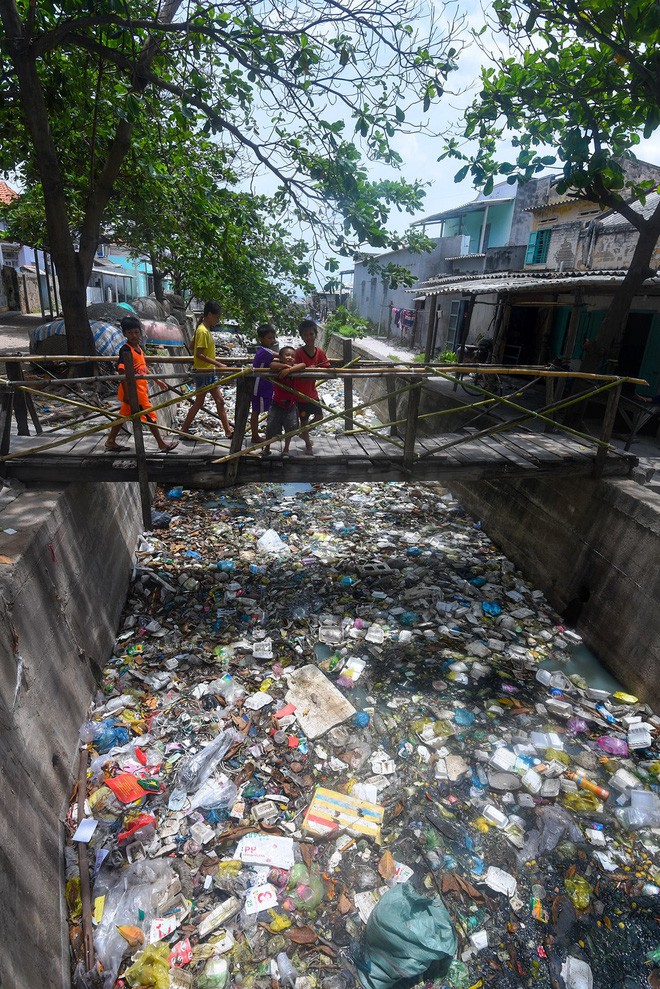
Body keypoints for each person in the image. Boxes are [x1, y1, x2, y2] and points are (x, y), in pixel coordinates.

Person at [105, 316, 178, 453]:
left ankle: (110, 440)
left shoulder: (138, 348)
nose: (133, 335)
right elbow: (122, 372)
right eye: (130, 333)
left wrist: (157, 380)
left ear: (140, 332)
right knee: (150, 415)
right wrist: (127, 393)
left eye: (136, 332)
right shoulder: (125, 350)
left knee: (123, 416)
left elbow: (143, 368)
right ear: (124, 334)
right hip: (134, 391)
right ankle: (162, 444)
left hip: (140, 389)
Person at [180, 301, 234, 440]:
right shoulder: (203, 330)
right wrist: (219, 364)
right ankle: (184, 429)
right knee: (200, 402)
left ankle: (228, 430)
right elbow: (199, 354)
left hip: (208, 371)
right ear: (209, 314)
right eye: (216, 317)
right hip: (204, 371)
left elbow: (192, 346)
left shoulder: (202, 329)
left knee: (219, 401)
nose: (218, 320)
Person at [294, 319, 331, 455]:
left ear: (316, 334)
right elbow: (294, 369)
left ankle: (304, 434)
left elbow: (326, 366)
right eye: (305, 335)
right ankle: (308, 445)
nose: (308, 337)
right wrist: (308, 369)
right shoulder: (298, 353)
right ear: (301, 336)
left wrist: (320, 369)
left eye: (311, 334)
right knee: (303, 420)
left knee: (319, 416)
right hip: (300, 393)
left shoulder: (319, 352)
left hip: (312, 392)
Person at [263, 346, 306, 457]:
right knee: (270, 427)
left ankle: (286, 449)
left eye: (293, 356)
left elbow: (304, 365)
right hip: (277, 404)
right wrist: (284, 366)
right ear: (280, 357)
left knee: (290, 428)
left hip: (290, 405)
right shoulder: (277, 367)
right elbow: (271, 365)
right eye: (287, 355)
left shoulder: (294, 368)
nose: (290, 358)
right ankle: (266, 448)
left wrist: (289, 369)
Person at [251, 323, 278, 444]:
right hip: (260, 385)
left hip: (264, 384)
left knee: (258, 410)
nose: (272, 340)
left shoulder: (263, 350)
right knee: (257, 411)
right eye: (269, 338)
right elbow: (281, 357)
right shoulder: (265, 352)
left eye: (273, 338)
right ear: (261, 339)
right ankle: (256, 435)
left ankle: (257, 434)